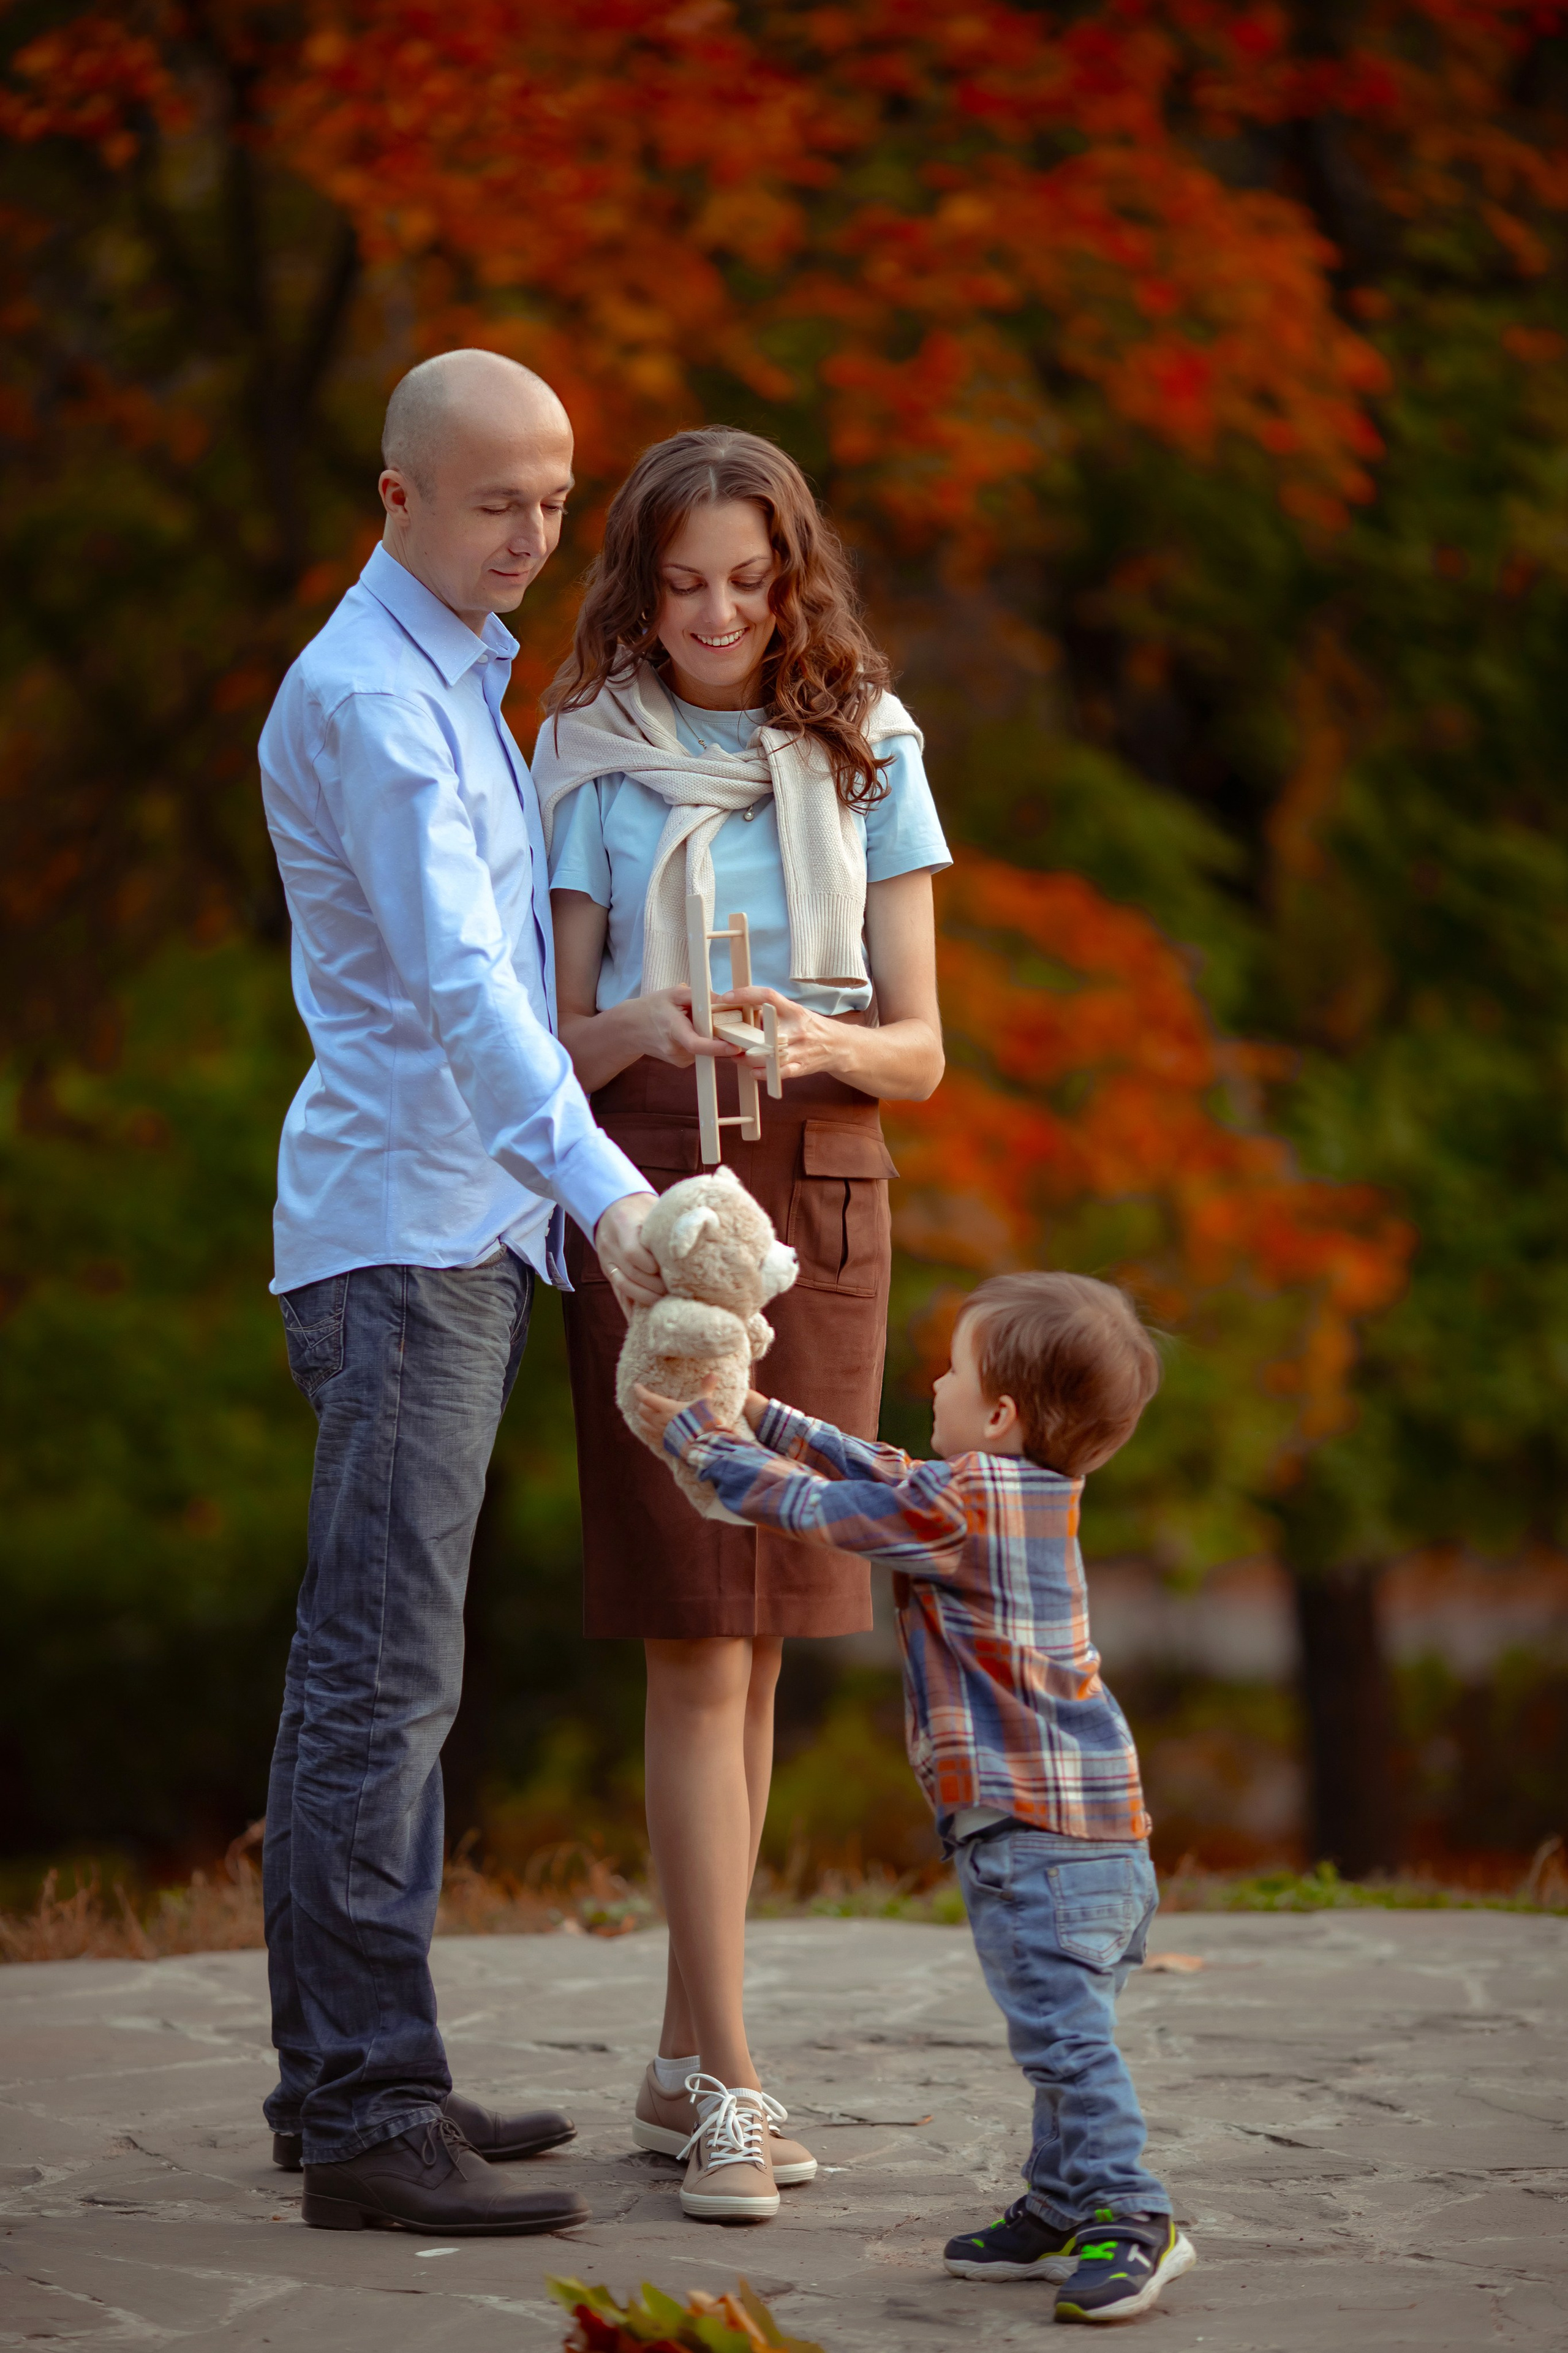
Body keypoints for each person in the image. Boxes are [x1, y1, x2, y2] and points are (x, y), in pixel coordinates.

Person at [257, 349, 665, 2237]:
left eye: (556, 500)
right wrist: (609, 1192)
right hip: (411, 1233)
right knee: (377, 1679)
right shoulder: (374, 698)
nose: (531, 536)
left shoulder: (448, 679)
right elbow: (451, 987)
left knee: (400, 1677)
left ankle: (361, 2061)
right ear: (398, 497)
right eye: (493, 500)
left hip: (449, 1227)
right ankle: (363, 2110)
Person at [533, 426, 949, 2222]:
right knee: (695, 1638)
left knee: (765, 1636)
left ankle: (688, 2056)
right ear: (639, 584)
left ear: (795, 581)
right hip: (653, 1190)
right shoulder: (588, 758)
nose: (717, 614)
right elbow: (547, 1040)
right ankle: (731, 2084)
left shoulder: (870, 750)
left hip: (827, 1183)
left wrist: (808, 1037)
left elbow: (921, 1048)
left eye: (751, 581)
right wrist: (650, 1027)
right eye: (684, 581)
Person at [631, 1272, 1198, 2323]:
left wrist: (696, 1439)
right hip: (1096, 1838)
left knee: (1067, 2044)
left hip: (1042, 1843)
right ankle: (1064, 2199)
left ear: (999, 1415)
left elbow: (816, 1506)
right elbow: (877, 1466)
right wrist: (764, 1410)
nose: (932, 1381)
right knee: (1060, 2031)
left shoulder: (964, 1503)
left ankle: (1131, 2211)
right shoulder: (1012, 1493)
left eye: (953, 1368)